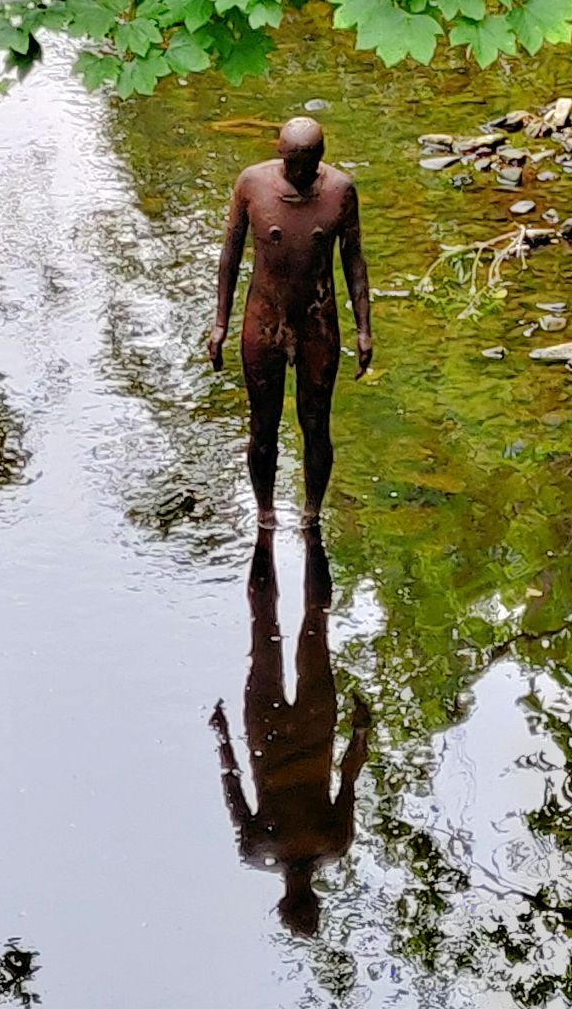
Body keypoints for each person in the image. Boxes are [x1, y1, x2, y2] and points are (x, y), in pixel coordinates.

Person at [208, 117, 372, 528]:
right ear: (281, 155)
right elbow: (229, 255)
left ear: (320, 158)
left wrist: (364, 329)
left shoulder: (340, 191)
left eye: (309, 163)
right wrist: (220, 323)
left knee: (316, 425)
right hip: (264, 322)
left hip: (317, 323)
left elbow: (354, 260)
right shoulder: (252, 184)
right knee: (262, 427)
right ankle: (265, 514)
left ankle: (311, 514)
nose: (301, 172)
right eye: (294, 163)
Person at [210, 527, 371, 936]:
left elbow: (233, 787)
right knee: (289, 625)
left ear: (289, 902)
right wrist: (360, 734)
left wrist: (224, 738)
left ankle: (285, 531)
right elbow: (348, 778)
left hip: (285, 735)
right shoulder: (322, 844)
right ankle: (300, 531)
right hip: (294, 735)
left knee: (286, 626)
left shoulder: (275, 848)